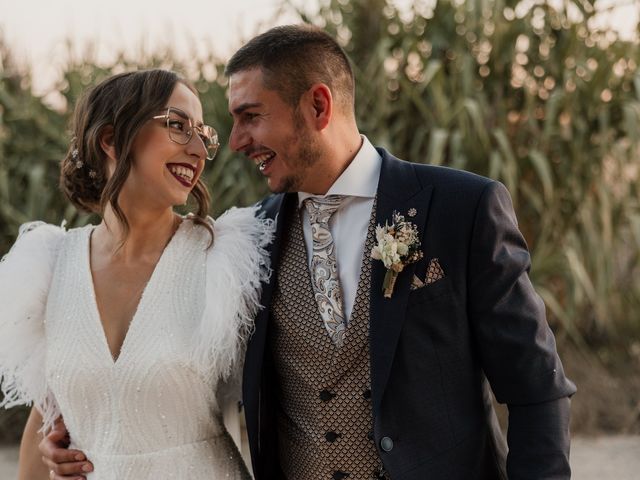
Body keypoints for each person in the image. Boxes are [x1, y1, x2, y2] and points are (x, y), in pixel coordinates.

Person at [42, 25, 577, 479]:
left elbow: (536, 389)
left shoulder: (462, 207)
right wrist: (67, 433)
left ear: (318, 106)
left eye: (250, 116)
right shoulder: (249, 242)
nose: (232, 143)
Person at [0, 69, 271, 479]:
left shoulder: (223, 259)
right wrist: (53, 454)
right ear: (110, 139)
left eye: (203, 134)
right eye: (178, 126)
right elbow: (48, 415)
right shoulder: (50, 265)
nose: (198, 149)